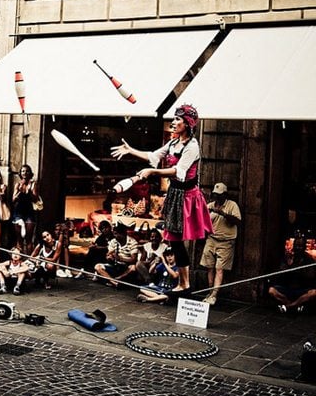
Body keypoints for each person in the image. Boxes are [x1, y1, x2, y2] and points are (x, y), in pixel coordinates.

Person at [111, 104, 212, 293]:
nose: (173, 122)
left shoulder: (193, 146)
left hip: (187, 197)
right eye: (174, 119)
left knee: (177, 240)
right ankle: (183, 283)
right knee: (174, 239)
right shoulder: (174, 143)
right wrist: (131, 150)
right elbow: (153, 156)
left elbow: (179, 172)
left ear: (188, 124)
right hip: (174, 194)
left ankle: (185, 283)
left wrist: (152, 172)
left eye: (178, 120)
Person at [199, 182, 242, 305]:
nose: (217, 198)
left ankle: (214, 295)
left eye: (220, 195)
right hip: (212, 239)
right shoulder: (211, 205)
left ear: (225, 195)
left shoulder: (232, 205)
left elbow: (238, 222)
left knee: (219, 268)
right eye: (215, 195)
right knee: (209, 267)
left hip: (226, 242)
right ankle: (210, 290)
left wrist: (222, 213)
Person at [268, 236, 316, 314]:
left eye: (300, 246)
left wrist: (298, 270)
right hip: (287, 287)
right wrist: (288, 266)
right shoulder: (288, 258)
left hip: (301, 288)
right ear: (293, 246)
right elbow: (280, 273)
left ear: (304, 247)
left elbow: (311, 275)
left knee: (313, 293)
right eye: (296, 245)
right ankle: (293, 305)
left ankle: (289, 307)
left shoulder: (309, 259)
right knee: (272, 291)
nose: (298, 248)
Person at [93, 222, 139, 288]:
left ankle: (116, 279)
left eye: (116, 234)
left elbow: (133, 259)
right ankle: (114, 282)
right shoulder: (113, 241)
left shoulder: (132, 242)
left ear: (123, 234)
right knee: (98, 266)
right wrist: (109, 258)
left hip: (126, 267)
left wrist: (121, 258)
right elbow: (108, 254)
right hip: (115, 266)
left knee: (133, 268)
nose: (114, 236)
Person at [12, 164, 40, 254]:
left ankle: (29, 260)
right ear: (20, 173)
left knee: (28, 238)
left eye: (27, 171)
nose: (25, 173)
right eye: (23, 171)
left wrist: (29, 191)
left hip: (29, 212)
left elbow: (35, 198)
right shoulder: (18, 184)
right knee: (19, 238)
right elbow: (13, 199)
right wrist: (20, 191)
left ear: (30, 173)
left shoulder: (33, 184)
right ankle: (18, 260)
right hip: (18, 212)